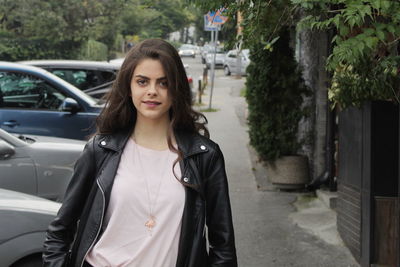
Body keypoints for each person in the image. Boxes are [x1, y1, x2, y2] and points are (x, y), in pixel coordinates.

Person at [43, 38, 237, 267]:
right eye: (142, 82)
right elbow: (59, 231)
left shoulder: (204, 156)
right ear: (129, 86)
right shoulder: (100, 151)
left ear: (176, 89)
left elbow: (223, 245)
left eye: (163, 83)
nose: (152, 91)